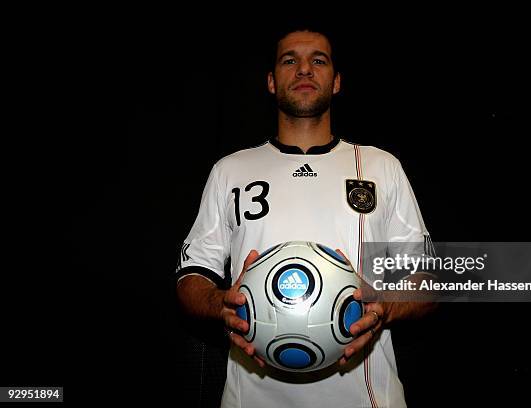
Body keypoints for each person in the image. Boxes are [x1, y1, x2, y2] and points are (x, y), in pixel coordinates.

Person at [176, 27, 436, 408]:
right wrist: (221, 303)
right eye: (289, 60)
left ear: (336, 82)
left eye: (318, 60)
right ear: (270, 81)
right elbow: (191, 275)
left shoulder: (379, 166)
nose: (303, 70)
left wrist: (387, 305)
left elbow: (427, 278)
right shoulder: (231, 170)